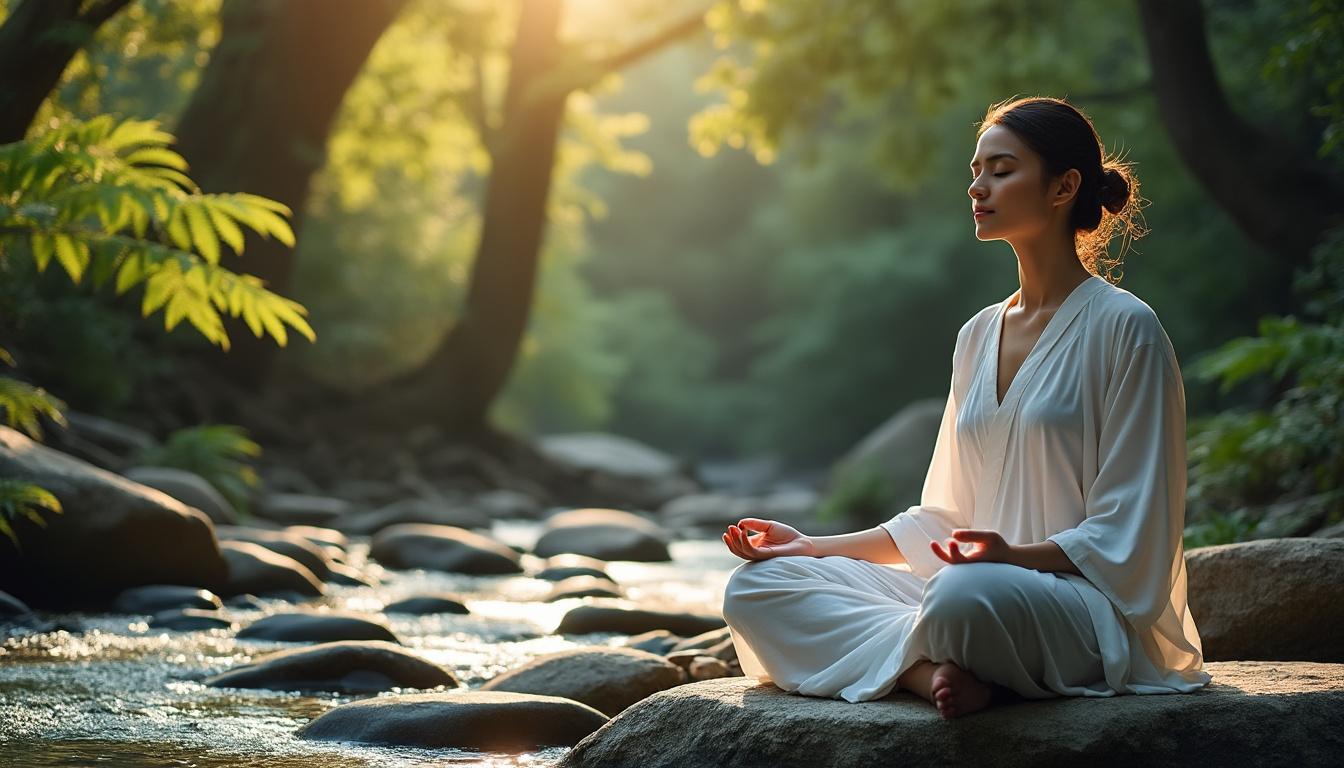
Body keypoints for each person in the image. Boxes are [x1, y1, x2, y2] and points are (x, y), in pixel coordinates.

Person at [719, 95, 1212, 720]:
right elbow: (945, 520)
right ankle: (930, 673)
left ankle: (929, 660)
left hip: (1078, 608)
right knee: (758, 586)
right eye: (975, 171)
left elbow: (1130, 534)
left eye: (1001, 170)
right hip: (971, 588)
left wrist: (1009, 556)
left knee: (958, 596)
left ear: (1064, 187)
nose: (979, 187)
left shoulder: (1126, 329)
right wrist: (812, 547)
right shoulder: (978, 334)